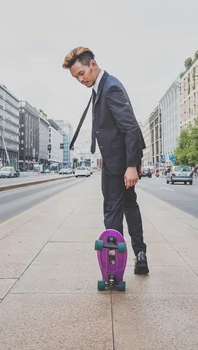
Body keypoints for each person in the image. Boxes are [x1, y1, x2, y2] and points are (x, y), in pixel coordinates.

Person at [62, 46, 149, 274]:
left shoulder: (109, 88)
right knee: (129, 205)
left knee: (112, 210)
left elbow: (130, 127)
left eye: (81, 73)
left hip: (119, 163)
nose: (80, 80)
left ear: (93, 64)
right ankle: (140, 255)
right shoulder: (104, 86)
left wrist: (130, 166)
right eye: (75, 77)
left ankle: (113, 262)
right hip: (117, 158)